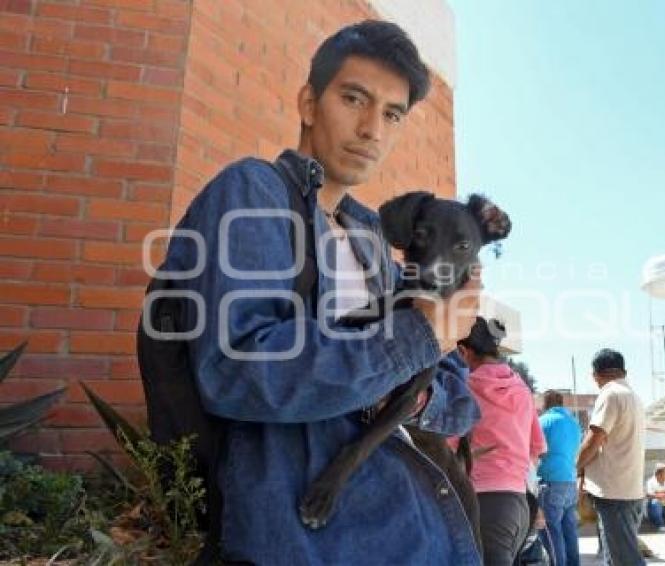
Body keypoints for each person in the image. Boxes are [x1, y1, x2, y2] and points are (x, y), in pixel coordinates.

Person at [157, 20, 483, 565]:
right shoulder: (255, 191)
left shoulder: (372, 241)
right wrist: (419, 336)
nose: (372, 129)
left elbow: (460, 403)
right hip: (316, 541)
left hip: (422, 532)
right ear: (310, 102)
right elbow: (240, 370)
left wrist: (416, 391)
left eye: (392, 114)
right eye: (354, 98)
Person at [458, 317, 546, 566]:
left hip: (484, 502)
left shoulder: (465, 388)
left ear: (462, 351)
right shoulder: (522, 389)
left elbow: (448, 445)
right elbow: (537, 447)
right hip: (519, 504)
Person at [577, 349, 646, 566]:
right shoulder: (634, 396)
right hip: (629, 490)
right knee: (615, 557)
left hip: (613, 492)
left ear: (596, 374)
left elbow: (595, 437)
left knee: (624, 560)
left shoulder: (610, 394)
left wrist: (576, 465)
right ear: (623, 371)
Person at [537, 390, 582, 566]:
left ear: (546, 404)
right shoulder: (574, 423)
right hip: (570, 482)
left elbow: (536, 450)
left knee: (550, 532)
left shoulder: (543, 422)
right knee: (569, 531)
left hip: (550, 481)